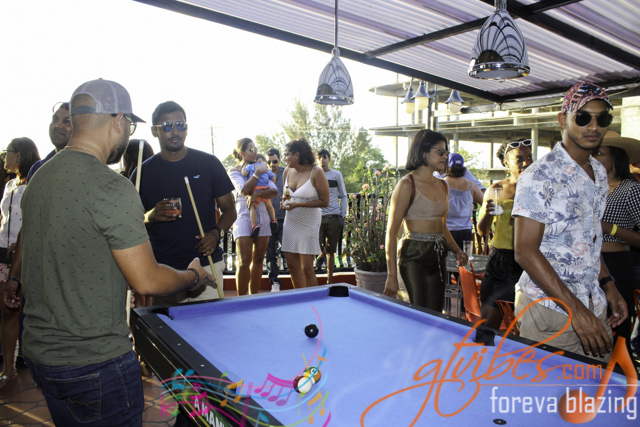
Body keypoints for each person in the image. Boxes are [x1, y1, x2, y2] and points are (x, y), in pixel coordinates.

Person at [2, 78, 214, 425]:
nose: (128, 133)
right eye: (129, 125)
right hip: (96, 362)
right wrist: (194, 275)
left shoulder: (40, 177)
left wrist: (13, 277)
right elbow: (147, 280)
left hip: (41, 355)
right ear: (118, 121)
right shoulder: (111, 186)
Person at [513, 82, 627, 361]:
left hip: (593, 306)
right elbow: (524, 251)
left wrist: (608, 284)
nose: (594, 126)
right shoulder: (539, 175)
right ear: (563, 119)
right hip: (550, 313)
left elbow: (589, 241)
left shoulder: (598, 172)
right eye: (583, 117)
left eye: (602, 119)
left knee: (595, 388)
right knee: (550, 390)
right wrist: (576, 310)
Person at [132, 101, 236, 305]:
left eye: (180, 125)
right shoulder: (142, 173)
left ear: (187, 129)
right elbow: (131, 224)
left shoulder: (208, 163)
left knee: (211, 323)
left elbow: (230, 209)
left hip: (207, 264)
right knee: (167, 326)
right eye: (167, 126)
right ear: (154, 131)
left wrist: (216, 234)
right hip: (164, 268)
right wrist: (150, 216)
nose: (175, 131)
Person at [384, 129, 468, 310]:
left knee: (435, 313)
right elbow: (391, 232)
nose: (445, 156)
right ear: (423, 152)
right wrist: (391, 275)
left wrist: (457, 250)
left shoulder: (443, 185)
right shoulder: (407, 185)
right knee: (417, 312)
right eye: (440, 151)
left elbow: (442, 226)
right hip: (413, 255)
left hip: (438, 254)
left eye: (446, 152)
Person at [591, 130, 640, 358]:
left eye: (599, 153)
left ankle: (621, 377)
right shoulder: (588, 189)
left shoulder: (630, 190)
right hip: (587, 265)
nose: (593, 158)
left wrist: (610, 228)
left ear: (616, 158)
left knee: (618, 336)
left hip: (617, 265)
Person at [477, 139, 533, 329]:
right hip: (502, 261)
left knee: (527, 326)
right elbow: (482, 230)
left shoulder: (539, 189)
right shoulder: (496, 190)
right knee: (488, 326)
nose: (526, 162)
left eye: (529, 157)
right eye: (519, 159)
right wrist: (488, 214)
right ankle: (484, 348)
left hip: (531, 261)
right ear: (506, 163)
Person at [0, 137, 39, 389]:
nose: (5, 156)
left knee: (29, 310)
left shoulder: (34, 185)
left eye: (8, 152)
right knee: (8, 310)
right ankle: (9, 369)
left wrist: (20, 243)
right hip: (3, 253)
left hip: (26, 254)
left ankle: (32, 361)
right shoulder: (9, 184)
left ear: (20, 155)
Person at [228, 138, 279, 295]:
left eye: (256, 149)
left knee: (258, 260)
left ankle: (253, 298)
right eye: (251, 149)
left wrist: (257, 193)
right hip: (243, 215)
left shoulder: (262, 167)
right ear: (242, 152)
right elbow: (244, 190)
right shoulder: (234, 171)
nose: (255, 152)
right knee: (244, 261)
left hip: (263, 214)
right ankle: (241, 300)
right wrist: (256, 174)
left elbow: (274, 191)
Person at [281, 139, 329, 288]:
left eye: (286, 155)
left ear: (297, 154)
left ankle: (313, 299)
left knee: (307, 268)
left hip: (309, 222)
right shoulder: (286, 171)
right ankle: (299, 297)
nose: (284, 158)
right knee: (291, 266)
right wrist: (285, 202)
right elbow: (286, 194)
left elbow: (324, 202)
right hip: (290, 222)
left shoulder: (316, 172)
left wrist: (297, 204)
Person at [314, 149, 347, 284]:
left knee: (331, 251)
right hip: (318, 216)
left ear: (329, 159)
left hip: (334, 216)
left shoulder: (336, 174)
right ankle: (321, 254)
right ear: (316, 159)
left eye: (325, 157)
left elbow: (343, 195)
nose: (322, 159)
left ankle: (330, 281)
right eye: (320, 157)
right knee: (316, 245)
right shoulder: (313, 174)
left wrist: (343, 213)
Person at [444, 153, 484, 251]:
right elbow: (485, 203)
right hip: (466, 233)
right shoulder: (471, 185)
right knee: (465, 259)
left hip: (446, 233)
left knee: (446, 260)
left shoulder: (442, 184)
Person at [26, 102, 72, 183]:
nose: (57, 125)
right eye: (55, 119)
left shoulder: (89, 165)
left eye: (66, 121)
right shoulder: (37, 168)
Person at [241, 153, 278, 237]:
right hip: (265, 190)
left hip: (254, 189)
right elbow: (273, 178)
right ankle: (273, 220)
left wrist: (243, 167)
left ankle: (254, 225)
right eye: (266, 162)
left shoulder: (250, 166)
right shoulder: (265, 168)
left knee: (252, 207)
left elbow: (244, 173)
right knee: (269, 206)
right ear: (261, 160)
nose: (267, 164)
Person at [265, 148, 285, 291]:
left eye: (275, 161)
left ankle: (293, 277)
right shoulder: (263, 174)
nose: (272, 164)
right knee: (269, 253)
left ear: (279, 160)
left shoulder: (286, 172)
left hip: (284, 218)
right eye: (269, 162)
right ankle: (274, 282)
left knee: (287, 250)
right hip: (267, 219)